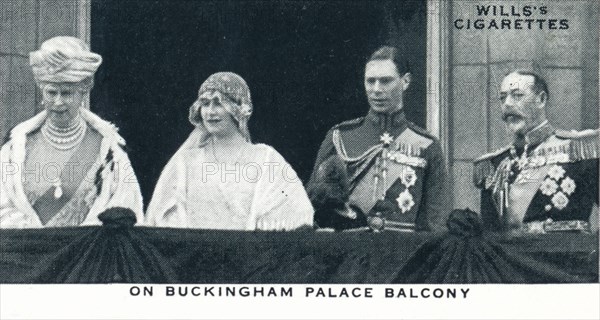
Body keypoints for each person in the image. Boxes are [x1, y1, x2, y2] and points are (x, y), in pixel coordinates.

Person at [0, 36, 144, 228]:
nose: (58, 102)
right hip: (29, 255)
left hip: (89, 256)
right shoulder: (16, 147)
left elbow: (126, 208)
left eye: (67, 93)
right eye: (52, 92)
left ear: (83, 91)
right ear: (42, 91)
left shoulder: (109, 150)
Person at [146, 72, 313, 230]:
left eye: (219, 103)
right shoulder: (185, 162)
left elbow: (297, 213)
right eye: (205, 103)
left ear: (238, 108)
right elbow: (160, 219)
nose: (210, 112)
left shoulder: (266, 159)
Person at [307, 46, 448, 231]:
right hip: (350, 252)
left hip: (405, 254)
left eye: (385, 81)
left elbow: (435, 224)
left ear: (405, 81)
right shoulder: (339, 137)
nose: (376, 89)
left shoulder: (428, 146)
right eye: (370, 81)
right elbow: (311, 209)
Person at [473, 70, 599, 233]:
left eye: (517, 96)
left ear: (541, 99)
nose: (507, 104)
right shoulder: (494, 164)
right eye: (503, 98)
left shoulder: (580, 150)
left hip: (566, 256)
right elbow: (490, 234)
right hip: (509, 257)